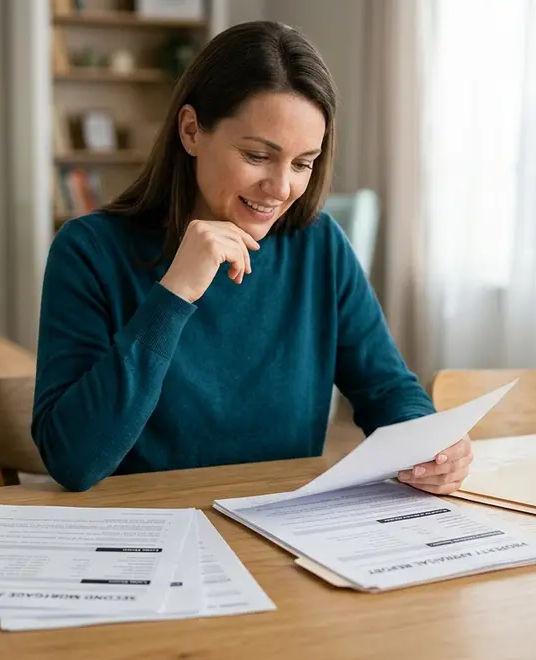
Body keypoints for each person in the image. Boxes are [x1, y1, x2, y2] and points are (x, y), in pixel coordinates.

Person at [32, 20, 472, 493]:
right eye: (258, 156)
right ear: (191, 130)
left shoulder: (319, 245)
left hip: (279, 536)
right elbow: (74, 460)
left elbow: (386, 389)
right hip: (144, 540)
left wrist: (431, 444)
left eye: (303, 163)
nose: (281, 188)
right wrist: (174, 294)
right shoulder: (90, 251)